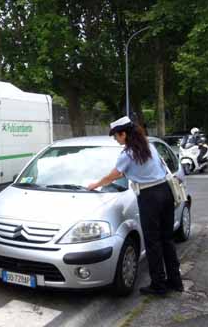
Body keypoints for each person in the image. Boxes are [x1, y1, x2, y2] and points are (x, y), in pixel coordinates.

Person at [87, 116, 183, 296]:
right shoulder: (149, 146)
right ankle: (175, 282)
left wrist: (95, 184)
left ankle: (158, 285)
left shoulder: (128, 154)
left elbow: (114, 175)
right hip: (165, 192)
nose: (116, 140)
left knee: (153, 242)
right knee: (167, 239)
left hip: (149, 197)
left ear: (123, 134)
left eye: (116, 136)